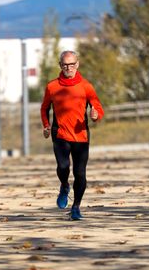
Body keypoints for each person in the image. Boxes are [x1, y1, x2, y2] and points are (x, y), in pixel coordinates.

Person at [40, 50, 104, 220]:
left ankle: (76, 207)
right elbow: (44, 108)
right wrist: (46, 126)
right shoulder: (52, 86)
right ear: (60, 65)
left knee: (80, 173)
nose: (68, 68)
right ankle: (64, 185)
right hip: (59, 133)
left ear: (77, 64)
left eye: (72, 64)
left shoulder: (86, 86)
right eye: (65, 65)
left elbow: (97, 107)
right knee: (63, 167)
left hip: (80, 135)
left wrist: (96, 114)